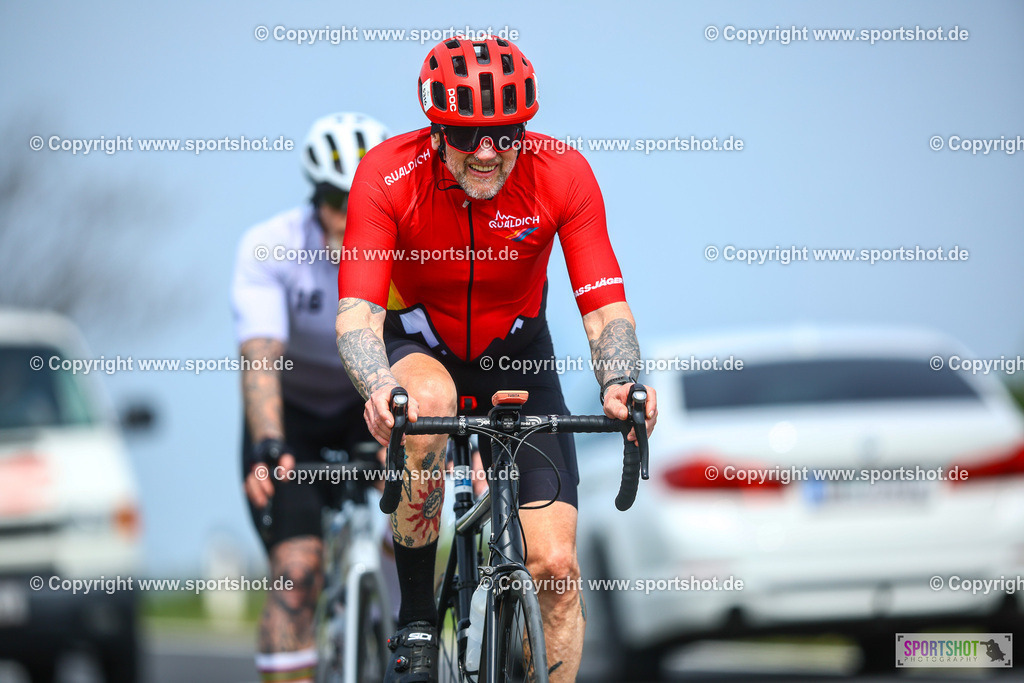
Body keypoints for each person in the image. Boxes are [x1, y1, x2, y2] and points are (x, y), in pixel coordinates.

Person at [335, 38, 658, 682]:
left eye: (505, 133)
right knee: (425, 405)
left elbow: (603, 309)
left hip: (518, 356)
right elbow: (357, 316)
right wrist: (377, 387)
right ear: (435, 129)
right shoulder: (384, 174)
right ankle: (422, 616)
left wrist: (622, 383)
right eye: (465, 134)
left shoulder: (564, 174)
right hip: (418, 345)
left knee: (558, 573)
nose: (486, 151)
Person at [232, 112, 395, 683]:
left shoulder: (406, 248)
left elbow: (422, 349)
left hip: (367, 405)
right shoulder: (270, 246)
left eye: (361, 199)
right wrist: (269, 442)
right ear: (315, 196)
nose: (346, 214)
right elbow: (260, 358)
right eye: (333, 198)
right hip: (292, 415)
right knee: (297, 572)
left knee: (410, 520)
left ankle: (407, 636)